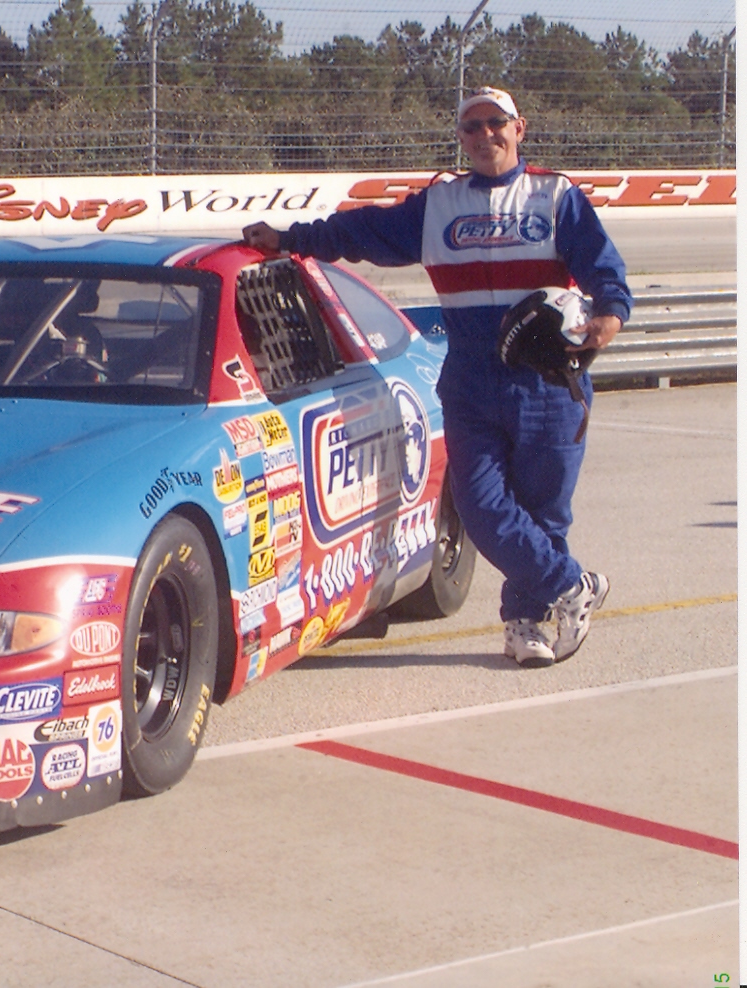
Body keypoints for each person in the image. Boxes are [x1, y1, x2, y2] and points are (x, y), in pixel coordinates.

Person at [241, 86, 632, 667]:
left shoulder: (556, 196)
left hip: (548, 381)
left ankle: (525, 624)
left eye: (494, 123)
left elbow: (605, 269)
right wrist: (292, 239)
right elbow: (361, 232)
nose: (483, 136)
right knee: (479, 507)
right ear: (460, 138)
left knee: (544, 511)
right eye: (470, 128)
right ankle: (572, 587)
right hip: (472, 378)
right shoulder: (439, 204)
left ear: (519, 128)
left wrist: (609, 316)